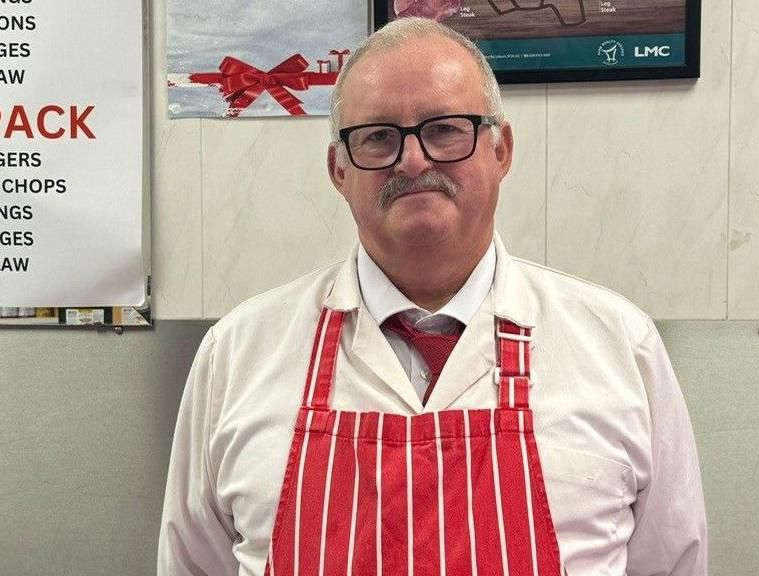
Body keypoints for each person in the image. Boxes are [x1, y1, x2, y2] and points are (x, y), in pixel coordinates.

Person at [158, 16, 707, 576]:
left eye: (445, 129)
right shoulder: (236, 353)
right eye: (378, 136)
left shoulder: (619, 345)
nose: (413, 160)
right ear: (338, 170)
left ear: (501, 150)